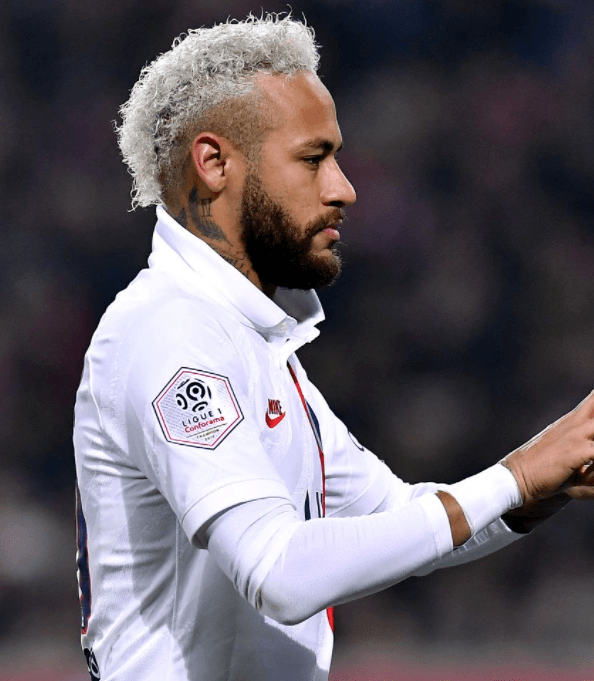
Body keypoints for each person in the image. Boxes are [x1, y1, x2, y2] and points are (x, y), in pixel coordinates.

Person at [73, 14, 594, 681]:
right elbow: (279, 573)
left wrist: (538, 484)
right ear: (214, 163)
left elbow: (401, 520)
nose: (343, 188)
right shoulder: (169, 332)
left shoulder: (252, 343)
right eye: (312, 158)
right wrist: (513, 478)